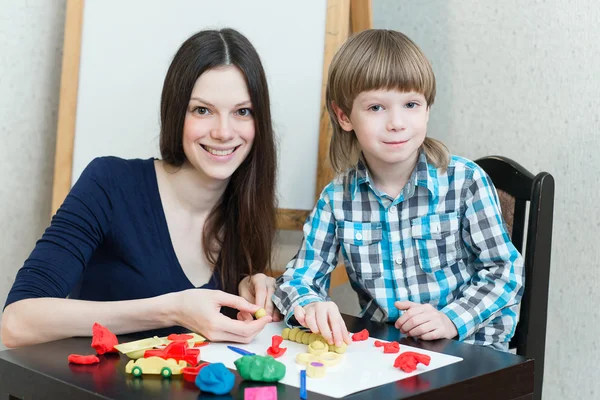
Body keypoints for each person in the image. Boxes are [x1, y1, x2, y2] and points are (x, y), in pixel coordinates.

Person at [1, 28, 280, 348]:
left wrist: (245, 288)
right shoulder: (109, 182)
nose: (223, 131)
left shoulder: (246, 207)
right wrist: (170, 310)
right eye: (202, 110)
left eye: (242, 112)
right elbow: (16, 322)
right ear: (177, 114)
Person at [273, 29, 524, 352]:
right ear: (344, 116)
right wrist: (312, 304)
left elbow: (505, 271)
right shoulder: (337, 199)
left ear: (427, 109)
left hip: (470, 350)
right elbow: (297, 279)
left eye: (410, 104)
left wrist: (451, 320)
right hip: (386, 354)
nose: (397, 122)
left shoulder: (465, 182)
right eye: (377, 107)